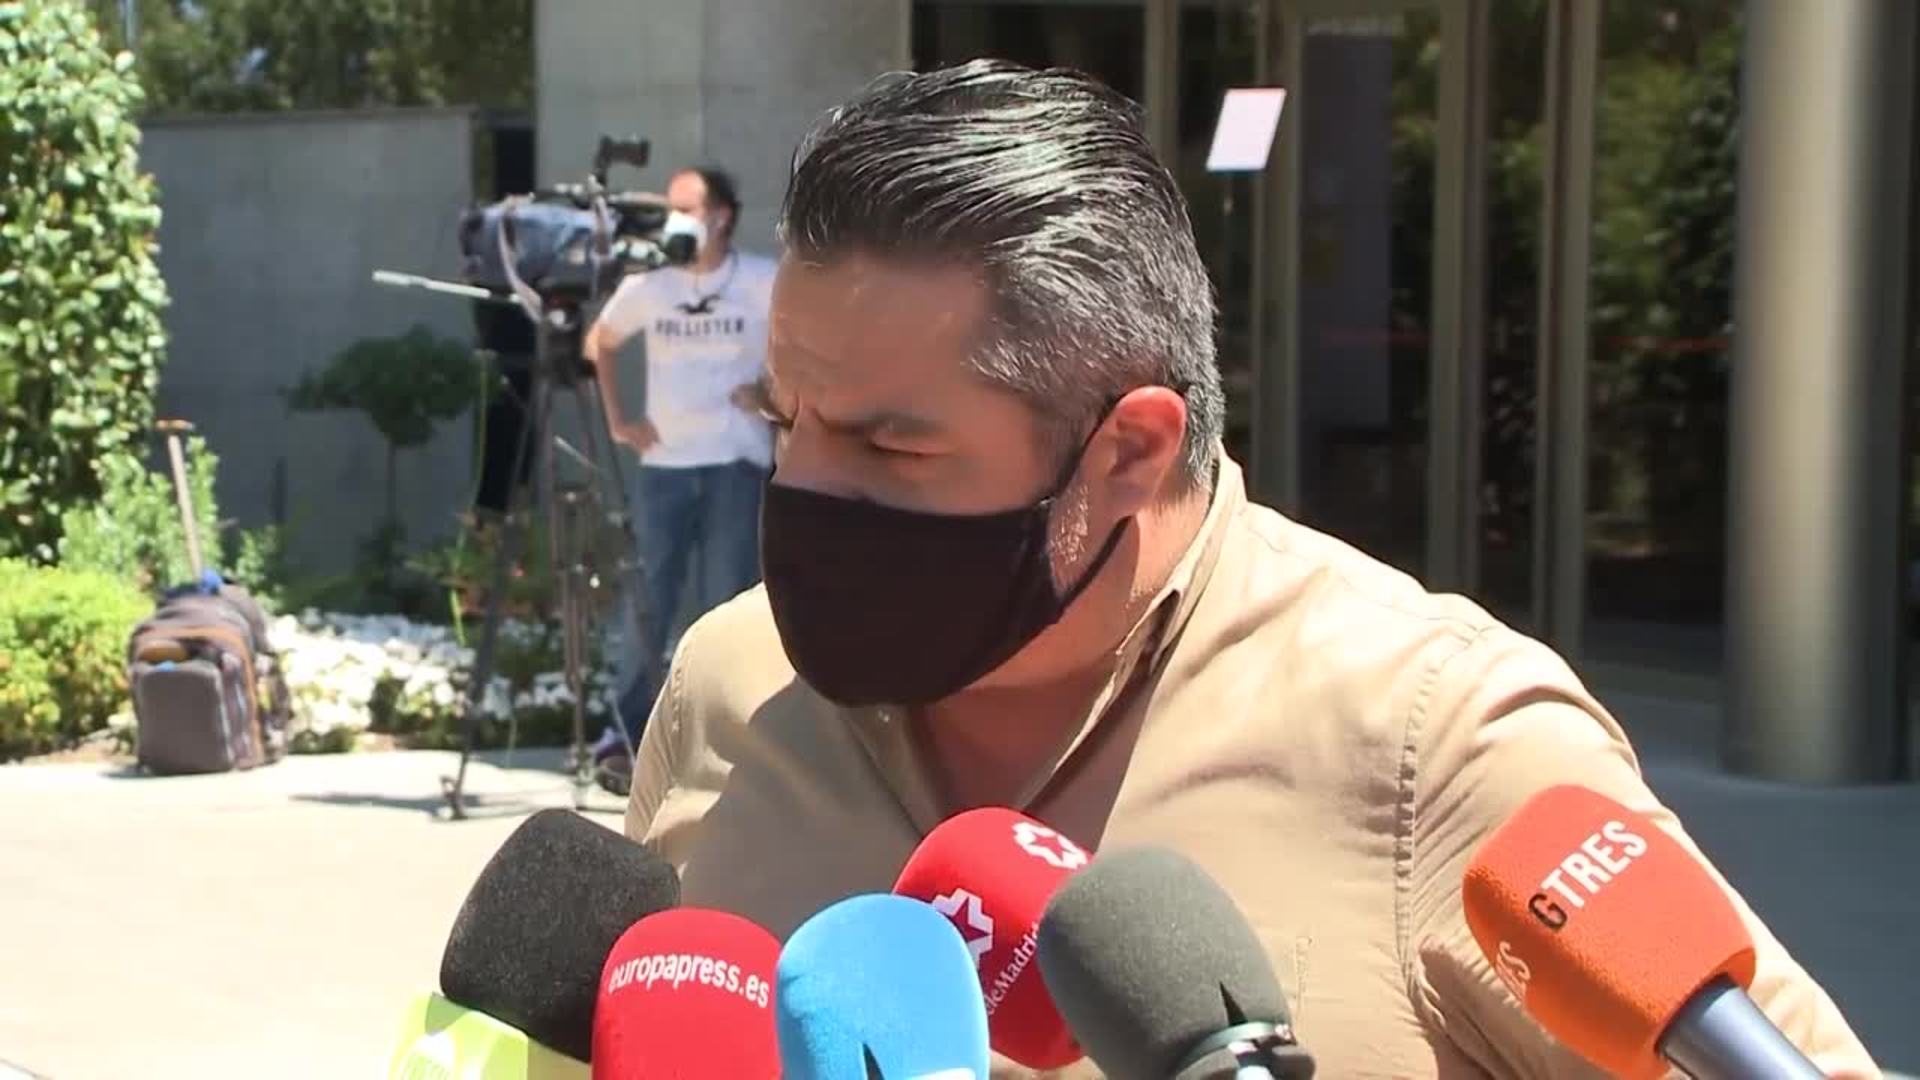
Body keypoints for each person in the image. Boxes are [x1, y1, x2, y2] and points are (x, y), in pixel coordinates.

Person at [620, 61, 1879, 1078]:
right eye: (786, 422)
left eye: (893, 447)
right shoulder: (734, 685)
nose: (806, 489)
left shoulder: (1438, 746)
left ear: (1129, 450)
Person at [585, 165, 776, 787]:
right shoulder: (650, 284)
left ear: (721, 217)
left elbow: (812, 342)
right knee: (649, 599)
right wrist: (620, 420)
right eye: (671, 208)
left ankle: (720, 738)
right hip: (666, 465)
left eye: (687, 208)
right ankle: (624, 735)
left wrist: (772, 393)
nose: (675, 220)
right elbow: (599, 341)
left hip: (736, 461)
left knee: (726, 601)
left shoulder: (762, 280)